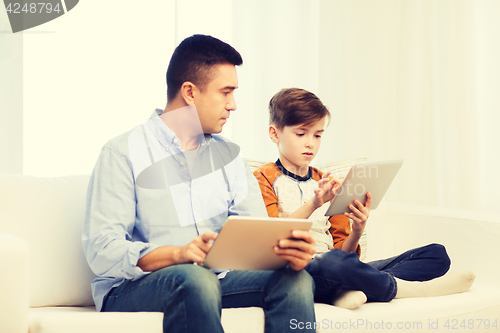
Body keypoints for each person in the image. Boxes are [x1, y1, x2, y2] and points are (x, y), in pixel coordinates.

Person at [82, 35, 317, 333]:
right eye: (226, 92)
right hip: (135, 286)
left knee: (294, 279)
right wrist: (178, 254)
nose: (233, 105)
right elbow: (103, 250)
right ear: (190, 93)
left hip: (215, 278)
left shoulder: (230, 156)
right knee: (196, 278)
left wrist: (285, 253)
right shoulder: (122, 152)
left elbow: (254, 232)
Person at [253, 87, 475, 309]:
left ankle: (347, 289)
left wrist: (358, 228)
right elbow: (273, 238)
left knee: (436, 254)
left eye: (318, 135)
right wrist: (314, 204)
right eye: (301, 133)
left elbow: (344, 253)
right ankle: (412, 290)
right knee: (333, 264)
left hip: (337, 265)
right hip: (299, 270)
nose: (311, 143)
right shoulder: (263, 177)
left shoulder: (327, 182)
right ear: (275, 134)